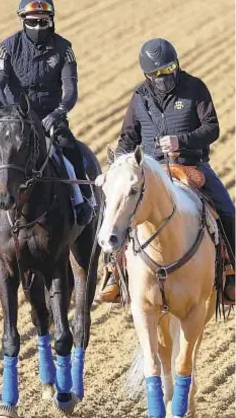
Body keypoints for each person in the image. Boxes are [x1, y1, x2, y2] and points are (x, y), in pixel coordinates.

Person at [97, 37, 235, 304]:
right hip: (150, 169)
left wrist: (180, 141)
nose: (164, 76)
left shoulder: (195, 88)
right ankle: (114, 272)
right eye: (157, 73)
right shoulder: (139, 98)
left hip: (191, 164)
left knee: (227, 209)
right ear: (147, 75)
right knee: (115, 208)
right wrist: (117, 168)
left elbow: (212, 128)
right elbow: (128, 137)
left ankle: (231, 274)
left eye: (169, 69)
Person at [0, 0, 93, 228]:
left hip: (50, 117)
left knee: (71, 149)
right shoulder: (6, 48)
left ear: (51, 21)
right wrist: (17, 113)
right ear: (23, 20)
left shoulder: (65, 50)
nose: (37, 27)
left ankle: (83, 202)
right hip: (16, 117)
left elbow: (71, 90)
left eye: (43, 22)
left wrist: (59, 113)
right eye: (32, 22)